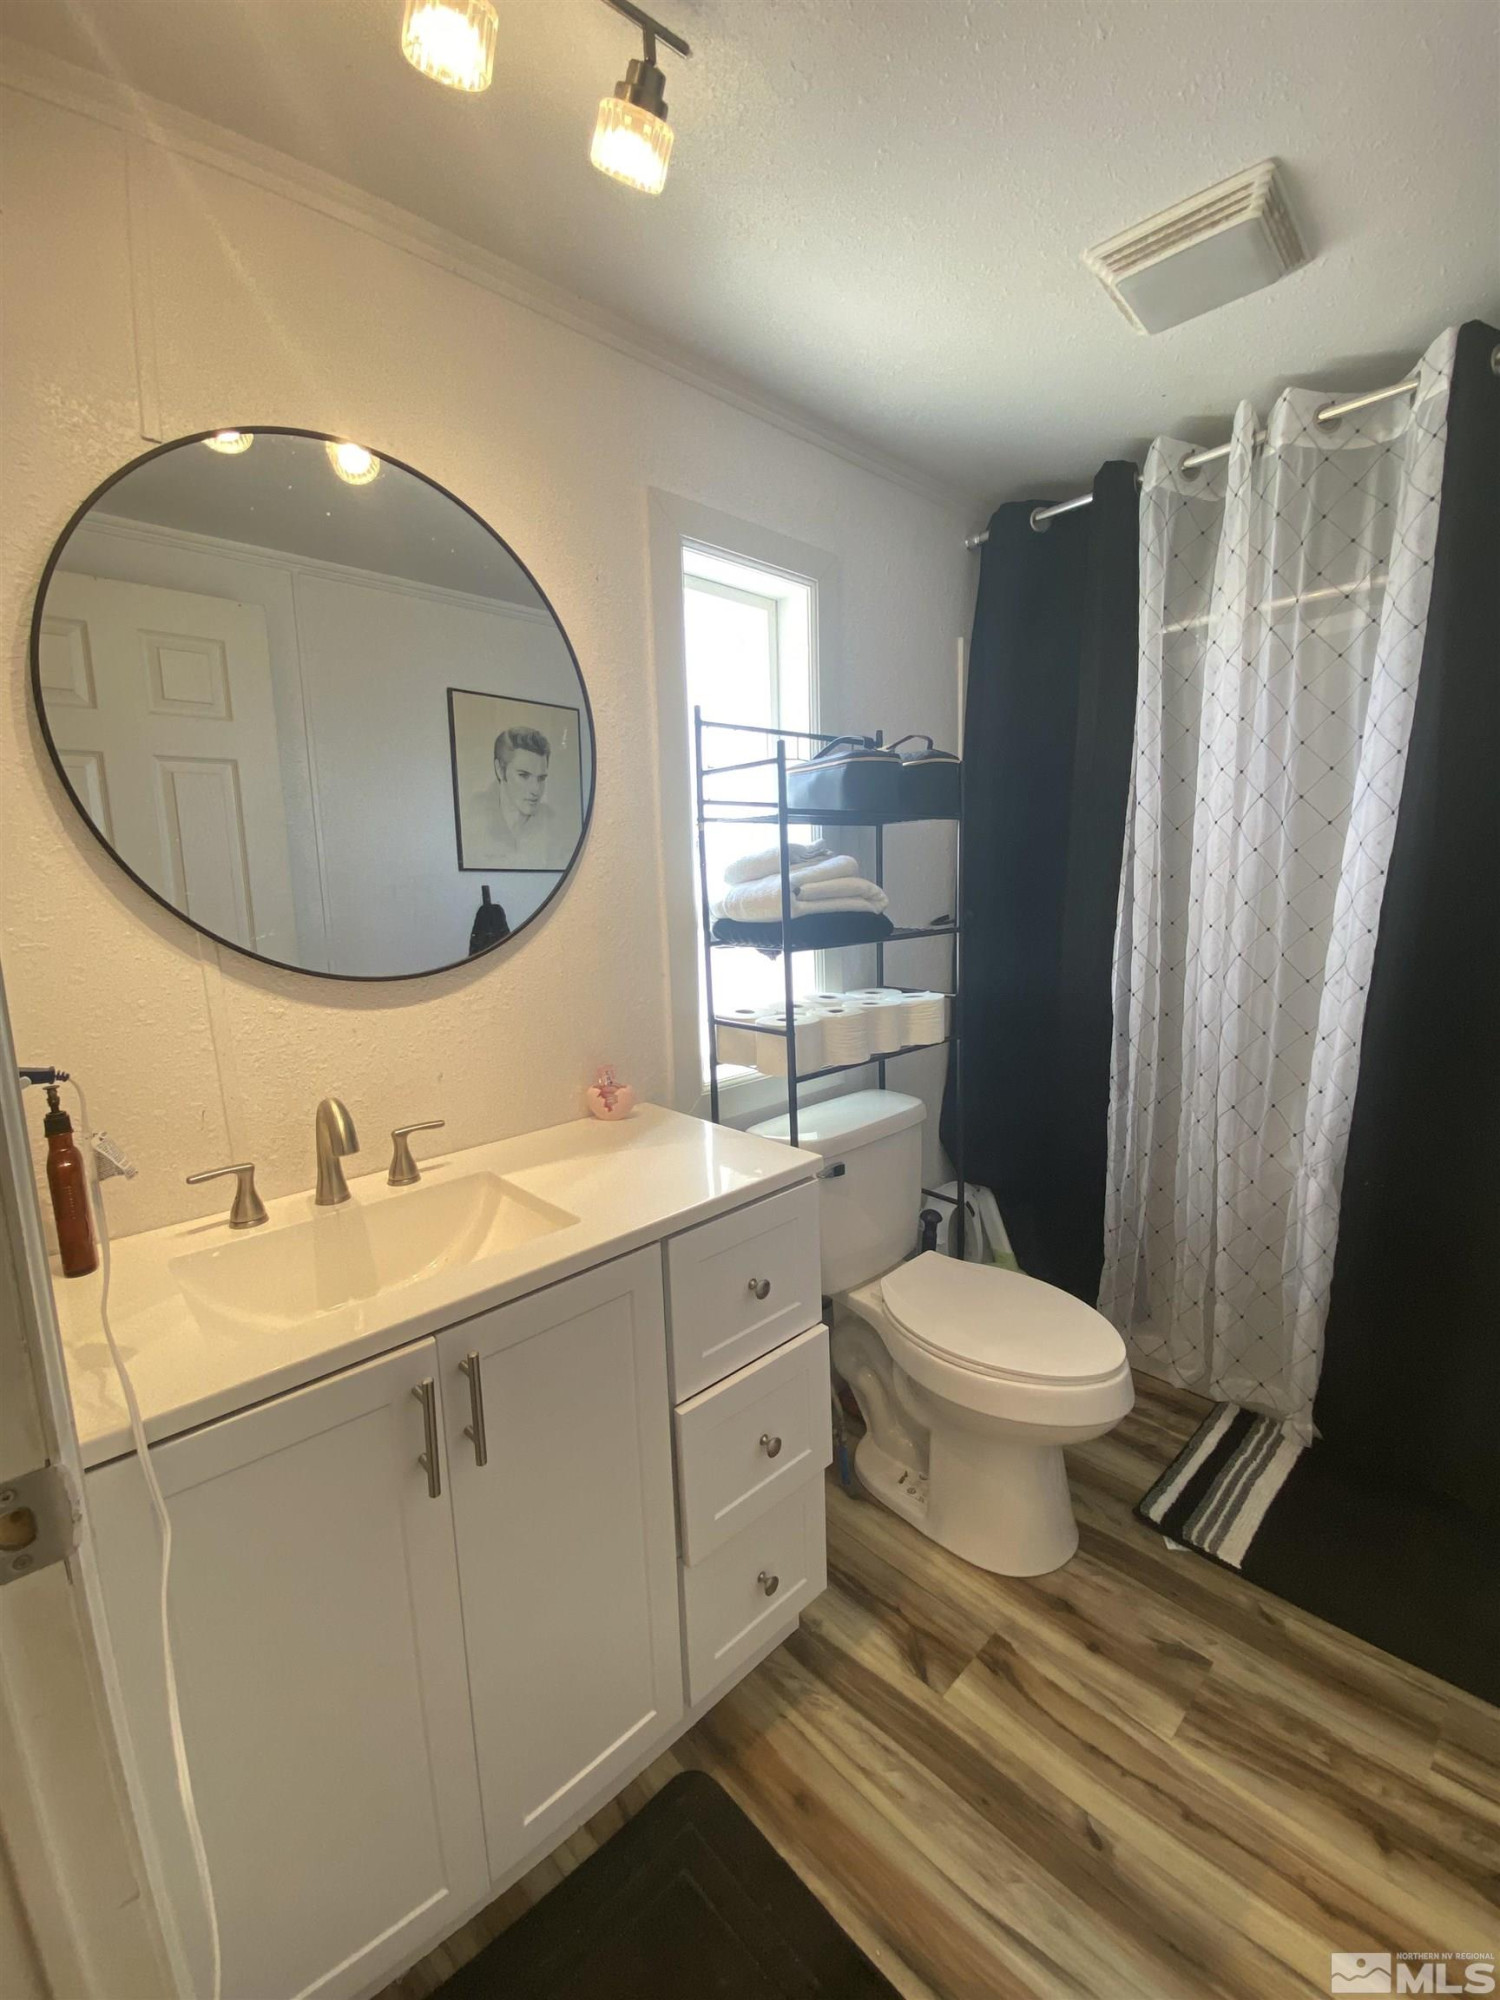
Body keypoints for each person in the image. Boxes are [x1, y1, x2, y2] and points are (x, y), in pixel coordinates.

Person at [467, 725, 567, 869]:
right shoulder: (471, 818)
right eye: (524, 775)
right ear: (500, 770)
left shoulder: (555, 825)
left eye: (541, 778)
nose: (536, 789)